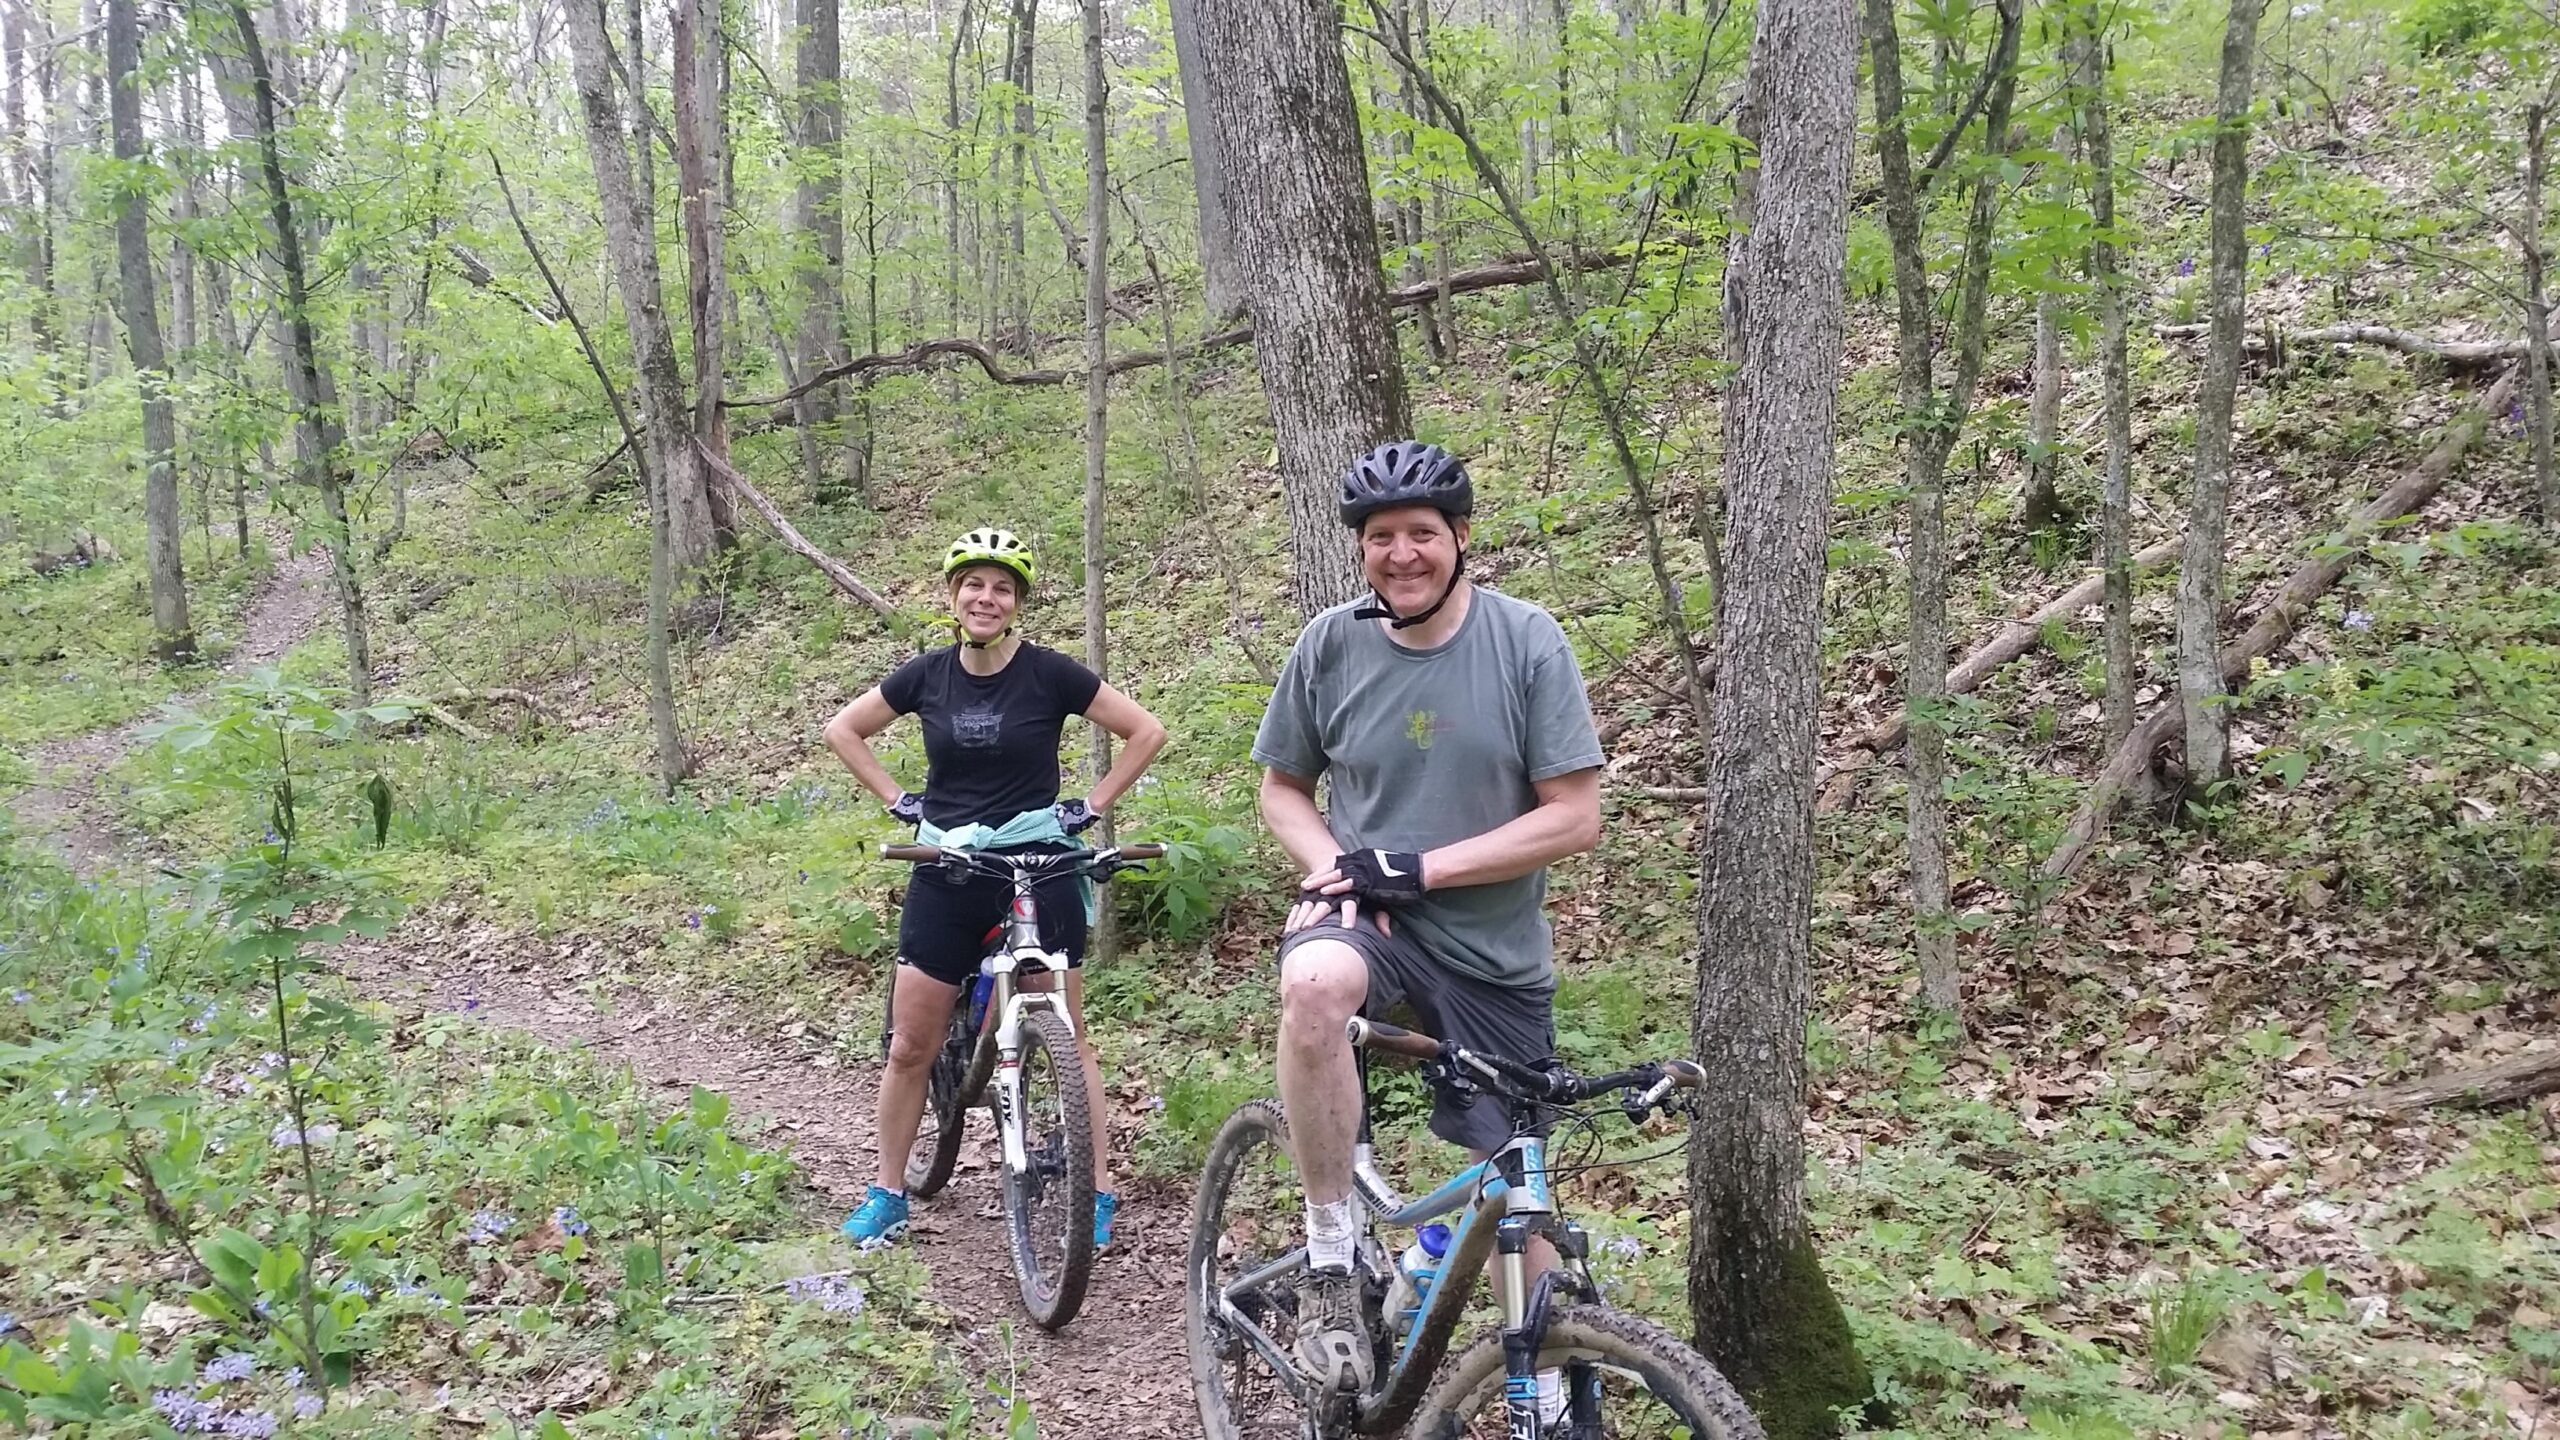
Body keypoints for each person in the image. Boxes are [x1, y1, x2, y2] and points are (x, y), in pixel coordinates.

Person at [1249, 442, 1604, 1395]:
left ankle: (1549, 1387)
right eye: (1380, 538)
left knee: (1512, 1188)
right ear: (1359, 550)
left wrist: (1418, 869)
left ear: (1462, 540)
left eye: (1421, 534)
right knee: (1315, 985)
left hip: (1491, 950)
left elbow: (1574, 815)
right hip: (1368, 924)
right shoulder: (1329, 643)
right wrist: (1344, 873)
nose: (1401, 554)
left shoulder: (1526, 640)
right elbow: (1283, 789)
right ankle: (1330, 1250)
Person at [823, 527, 1168, 1251]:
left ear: (1018, 603)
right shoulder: (926, 675)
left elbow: (1145, 731)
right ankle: (887, 1192)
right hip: (948, 864)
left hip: (1036, 864)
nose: (987, 597)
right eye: (974, 585)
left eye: (1002, 587)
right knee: (911, 1044)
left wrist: (1093, 806)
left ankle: (1096, 1192)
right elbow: (844, 731)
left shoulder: (1050, 675)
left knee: (1070, 1037)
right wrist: (900, 802)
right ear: (953, 596)